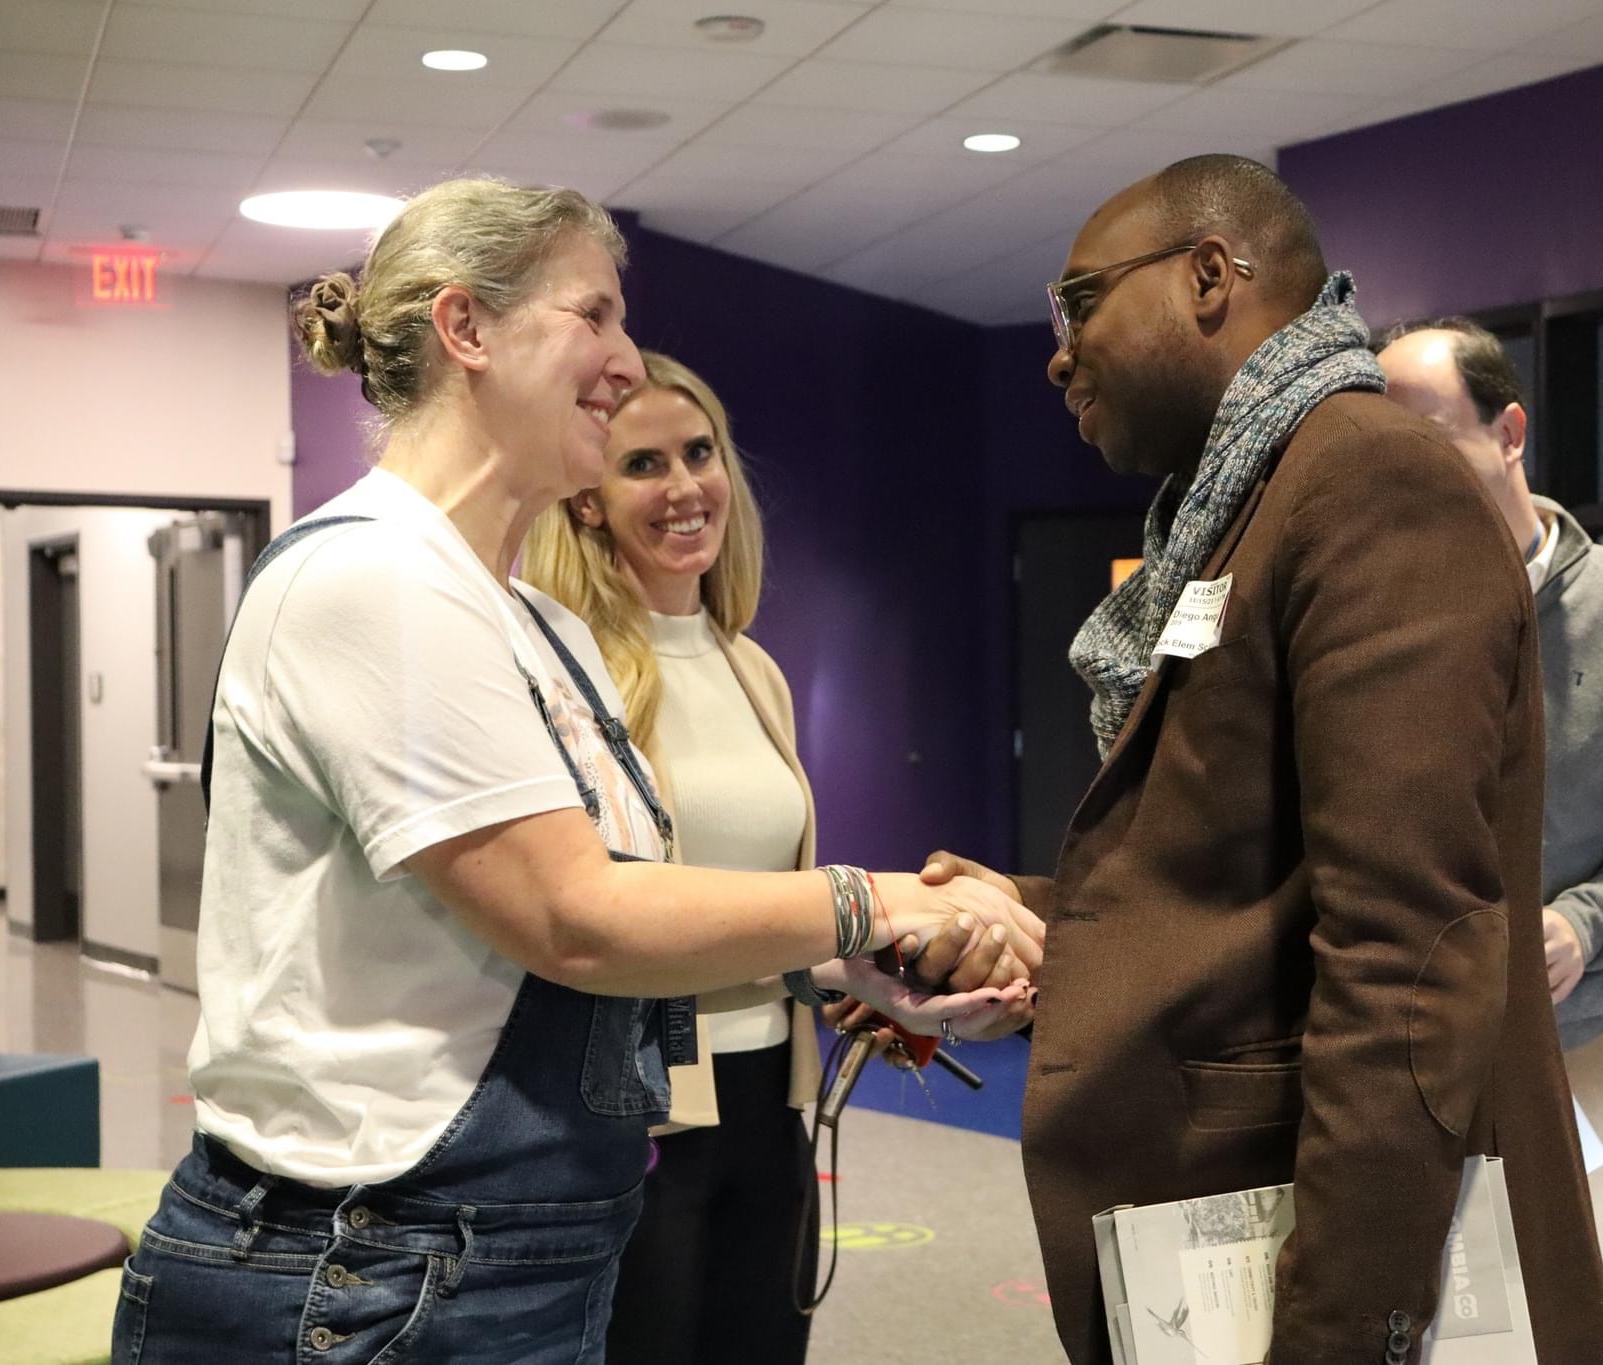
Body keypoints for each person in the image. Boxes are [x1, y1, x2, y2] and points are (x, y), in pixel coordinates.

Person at [109, 176, 1039, 1365]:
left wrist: (839, 960)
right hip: (362, 1272)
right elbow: (573, 917)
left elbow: (598, 937)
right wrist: (878, 895)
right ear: (466, 330)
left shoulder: (530, 627)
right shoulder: (369, 580)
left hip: (517, 1250)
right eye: (592, 314)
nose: (625, 357)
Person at [920, 154, 1603, 1364]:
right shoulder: (1243, 501)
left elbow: (1409, 957)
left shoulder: (1366, 482)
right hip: (1220, 1227)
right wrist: (1025, 915)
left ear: (1206, 277)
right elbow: (1239, 889)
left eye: (1078, 303)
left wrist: (1335, 1335)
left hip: (1320, 1269)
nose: (1056, 353)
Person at [523, 352, 1019, 1362]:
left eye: (698, 453)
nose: (683, 488)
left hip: (769, 1110)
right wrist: (859, 915)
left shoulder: (750, 666)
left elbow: (761, 912)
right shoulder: (565, 668)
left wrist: (873, 982)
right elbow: (599, 917)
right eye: (642, 464)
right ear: (584, 498)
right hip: (640, 1119)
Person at [1376, 317, 1603, 1286]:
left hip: (1556, 1051)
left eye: (1427, 432)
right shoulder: (1355, 613)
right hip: (1370, 1048)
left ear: (1508, 431)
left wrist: (1584, 925)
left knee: (1553, 1317)